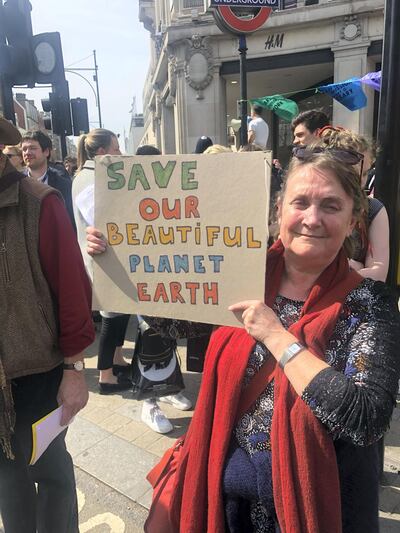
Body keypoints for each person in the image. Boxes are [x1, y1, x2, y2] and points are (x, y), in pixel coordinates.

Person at [148, 147, 400, 532]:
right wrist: (121, 264)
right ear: (279, 210)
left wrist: (276, 336)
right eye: (300, 202)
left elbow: (365, 418)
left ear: (353, 221)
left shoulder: (369, 303)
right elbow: (172, 325)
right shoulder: (237, 270)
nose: (312, 219)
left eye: (331, 206)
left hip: (310, 512)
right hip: (224, 505)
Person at [0, 117, 95, 532]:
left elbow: (72, 292)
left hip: (37, 374)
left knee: (52, 475)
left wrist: (74, 370)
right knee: (7, 480)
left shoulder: (40, 201)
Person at [78, 141, 192, 432]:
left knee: (166, 333)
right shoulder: (119, 193)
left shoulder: (171, 192)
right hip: (135, 279)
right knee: (147, 334)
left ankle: (167, 387)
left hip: (165, 277)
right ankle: (149, 403)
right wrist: (96, 241)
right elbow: (99, 226)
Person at [72, 128, 132, 394]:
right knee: (111, 316)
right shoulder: (89, 178)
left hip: (108, 256)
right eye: (116, 148)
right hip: (102, 258)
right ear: (101, 152)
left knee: (119, 313)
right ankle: (105, 376)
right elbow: (102, 218)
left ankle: (116, 360)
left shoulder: (92, 175)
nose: (119, 153)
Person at [316, 126, 389, 281]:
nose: (364, 180)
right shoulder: (310, 206)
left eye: (366, 173)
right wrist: (353, 267)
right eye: (360, 172)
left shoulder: (372, 209)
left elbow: (378, 274)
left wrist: (342, 269)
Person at [21, 130, 75, 228]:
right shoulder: (16, 184)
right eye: (24, 149)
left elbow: (70, 220)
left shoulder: (63, 185)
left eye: (32, 148)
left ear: (46, 151)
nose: (27, 153)